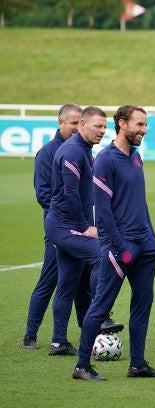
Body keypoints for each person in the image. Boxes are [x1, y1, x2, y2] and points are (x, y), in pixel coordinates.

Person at [73, 105, 155, 381]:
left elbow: (139, 201)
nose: (144, 130)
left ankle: (137, 364)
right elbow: (101, 210)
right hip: (121, 247)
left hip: (145, 244)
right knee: (101, 305)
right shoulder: (105, 159)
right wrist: (119, 246)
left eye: (145, 125)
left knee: (143, 303)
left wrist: (152, 238)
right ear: (122, 124)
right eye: (139, 125)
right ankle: (81, 366)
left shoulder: (136, 157)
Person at [44, 106, 123, 357]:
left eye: (104, 127)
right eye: (97, 126)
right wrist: (83, 227)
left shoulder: (84, 150)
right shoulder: (73, 152)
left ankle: (59, 342)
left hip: (64, 226)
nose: (103, 131)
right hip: (65, 227)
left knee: (66, 284)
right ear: (82, 126)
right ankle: (100, 315)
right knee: (103, 257)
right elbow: (69, 194)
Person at [22, 103, 85, 349]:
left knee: (81, 281)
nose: (76, 127)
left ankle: (86, 333)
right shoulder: (48, 153)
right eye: (72, 123)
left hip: (80, 227)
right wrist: (64, 220)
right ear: (60, 123)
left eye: (80, 123)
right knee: (50, 279)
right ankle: (30, 335)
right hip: (58, 228)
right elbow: (43, 195)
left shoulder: (82, 151)